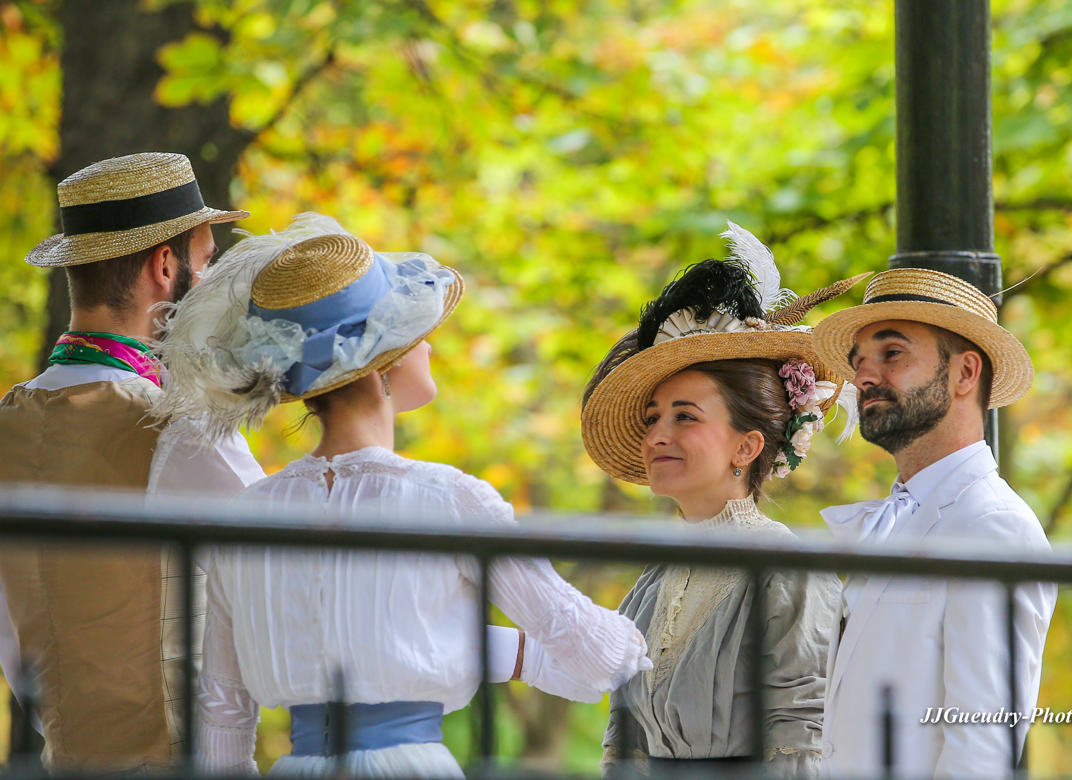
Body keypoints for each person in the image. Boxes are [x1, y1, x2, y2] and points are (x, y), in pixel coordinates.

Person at [150, 213, 651, 777]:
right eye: (416, 335)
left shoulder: (242, 518)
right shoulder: (450, 500)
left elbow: (223, 711)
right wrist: (651, 639)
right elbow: (598, 657)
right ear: (380, 364)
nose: (430, 347)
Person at [0, 152, 261, 771]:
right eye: (206, 261)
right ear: (165, 266)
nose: (211, 280)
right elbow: (294, 575)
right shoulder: (175, 421)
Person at [581, 223, 865, 777]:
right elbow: (624, 742)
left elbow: (801, 742)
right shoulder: (653, 580)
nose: (658, 434)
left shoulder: (788, 569)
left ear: (747, 445)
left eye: (685, 416)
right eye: (652, 418)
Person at [811, 268, 1058, 778]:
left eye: (892, 354)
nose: (864, 377)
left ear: (965, 373)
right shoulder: (888, 518)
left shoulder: (994, 526)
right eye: (859, 363)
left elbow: (982, 748)